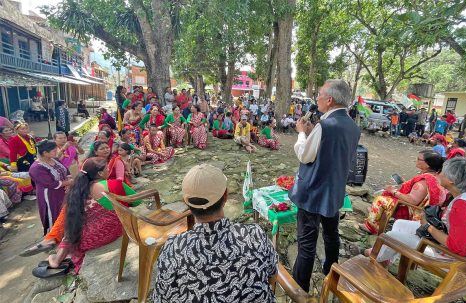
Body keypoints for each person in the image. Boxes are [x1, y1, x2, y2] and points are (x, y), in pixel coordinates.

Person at [373, 157, 466, 302]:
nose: (438, 174)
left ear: (452, 180)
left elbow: (459, 248)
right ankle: (385, 264)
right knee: (402, 224)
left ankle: (374, 267)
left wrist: (429, 227)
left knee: (390, 237)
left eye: (442, 172)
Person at [152, 164, 278, 302]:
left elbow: (161, 298)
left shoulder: (172, 250)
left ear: (185, 202)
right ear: (225, 197)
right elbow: (272, 277)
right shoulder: (255, 235)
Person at [288, 79, 360, 292]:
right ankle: (331, 273)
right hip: (334, 190)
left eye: (319, 94)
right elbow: (332, 153)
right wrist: (312, 134)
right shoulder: (353, 127)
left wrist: (302, 132)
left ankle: (299, 289)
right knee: (331, 235)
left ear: (329, 100)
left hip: (313, 193)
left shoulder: (325, 125)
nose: (316, 98)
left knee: (307, 245)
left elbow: (305, 155)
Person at [34, 158, 124, 275]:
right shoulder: (101, 186)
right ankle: (58, 257)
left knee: (72, 232)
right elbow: (115, 209)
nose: (109, 170)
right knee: (75, 232)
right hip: (113, 230)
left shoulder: (78, 189)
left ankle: (57, 259)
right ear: (100, 173)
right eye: (107, 168)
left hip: (100, 234)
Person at [361, 150, 446, 234]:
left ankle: (371, 226)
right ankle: (376, 216)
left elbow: (412, 200)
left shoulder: (424, 181)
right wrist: (405, 184)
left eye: (418, 159)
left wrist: (393, 191)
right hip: (424, 211)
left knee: (380, 200)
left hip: (411, 210)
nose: (416, 160)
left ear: (427, 165)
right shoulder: (435, 176)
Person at [29, 140, 72, 234]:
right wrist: (69, 183)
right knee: (54, 211)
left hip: (63, 190)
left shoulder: (54, 160)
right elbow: (51, 184)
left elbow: (65, 170)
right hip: (50, 195)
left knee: (66, 210)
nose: (56, 152)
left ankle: (68, 230)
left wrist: (69, 180)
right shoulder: (36, 168)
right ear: (45, 153)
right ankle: (56, 233)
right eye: (53, 151)